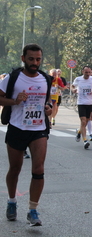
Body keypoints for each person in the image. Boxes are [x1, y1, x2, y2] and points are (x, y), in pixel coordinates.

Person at [0, 44, 52, 226]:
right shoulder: (12, 78)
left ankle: (33, 210)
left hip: (38, 129)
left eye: (38, 59)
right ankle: (12, 201)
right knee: (15, 169)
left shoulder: (46, 78)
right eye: (31, 59)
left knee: (38, 169)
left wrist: (48, 108)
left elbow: (49, 101)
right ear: (23, 58)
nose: (35, 63)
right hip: (17, 127)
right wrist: (14, 101)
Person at [71, 66, 92, 149]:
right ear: (82, 72)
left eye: (89, 72)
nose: (88, 74)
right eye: (86, 72)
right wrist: (73, 90)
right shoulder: (78, 79)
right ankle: (85, 141)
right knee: (83, 121)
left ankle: (79, 132)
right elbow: (72, 86)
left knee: (87, 121)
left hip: (89, 103)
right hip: (81, 103)